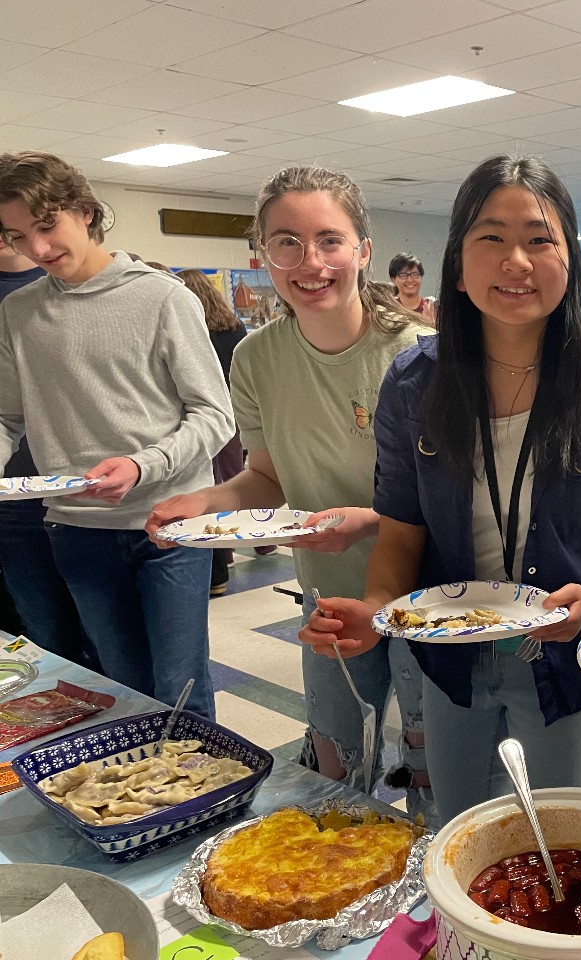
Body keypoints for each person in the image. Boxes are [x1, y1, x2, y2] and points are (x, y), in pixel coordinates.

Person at [299, 155, 581, 825]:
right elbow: (403, 528)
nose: (515, 260)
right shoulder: (414, 385)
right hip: (449, 657)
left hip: (563, 659)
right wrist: (376, 609)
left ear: (569, 260)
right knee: (458, 835)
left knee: (561, 842)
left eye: (539, 239)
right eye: (491, 238)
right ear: (458, 264)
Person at [146, 167, 434, 819]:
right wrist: (203, 503)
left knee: (428, 766)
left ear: (362, 250)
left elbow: (452, 501)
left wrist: (363, 520)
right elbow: (267, 476)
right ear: (262, 255)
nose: (310, 262)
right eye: (287, 243)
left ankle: (425, 911)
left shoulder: (419, 357)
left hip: (424, 595)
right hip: (327, 591)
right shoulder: (255, 359)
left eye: (329, 240)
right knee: (335, 768)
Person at [0, 151, 233, 719]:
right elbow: (7, 419)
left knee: (181, 687)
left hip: (171, 523)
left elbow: (214, 415)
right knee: (124, 688)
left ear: (84, 211)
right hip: (76, 530)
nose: (36, 249)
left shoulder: (163, 297)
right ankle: (147, 804)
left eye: (46, 226)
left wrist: (141, 465)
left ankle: (210, 804)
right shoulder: (19, 313)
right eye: (16, 236)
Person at [0, 231, 89, 664]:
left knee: (111, 639)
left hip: (90, 492)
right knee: (45, 635)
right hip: (11, 499)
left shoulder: (69, 275)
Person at [177, 269, 248, 597]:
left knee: (209, 482)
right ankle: (253, 540)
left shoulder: (190, 328)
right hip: (234, 412)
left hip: (195, 416)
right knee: (237, 477)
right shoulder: (234, 327)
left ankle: (224, 551)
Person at [389, 252, 433, 326]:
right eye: (403, 275)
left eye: (415, 274)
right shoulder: (389, 309)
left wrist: (432, 324)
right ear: (393, 280)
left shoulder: (432, 308)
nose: (410, 280)